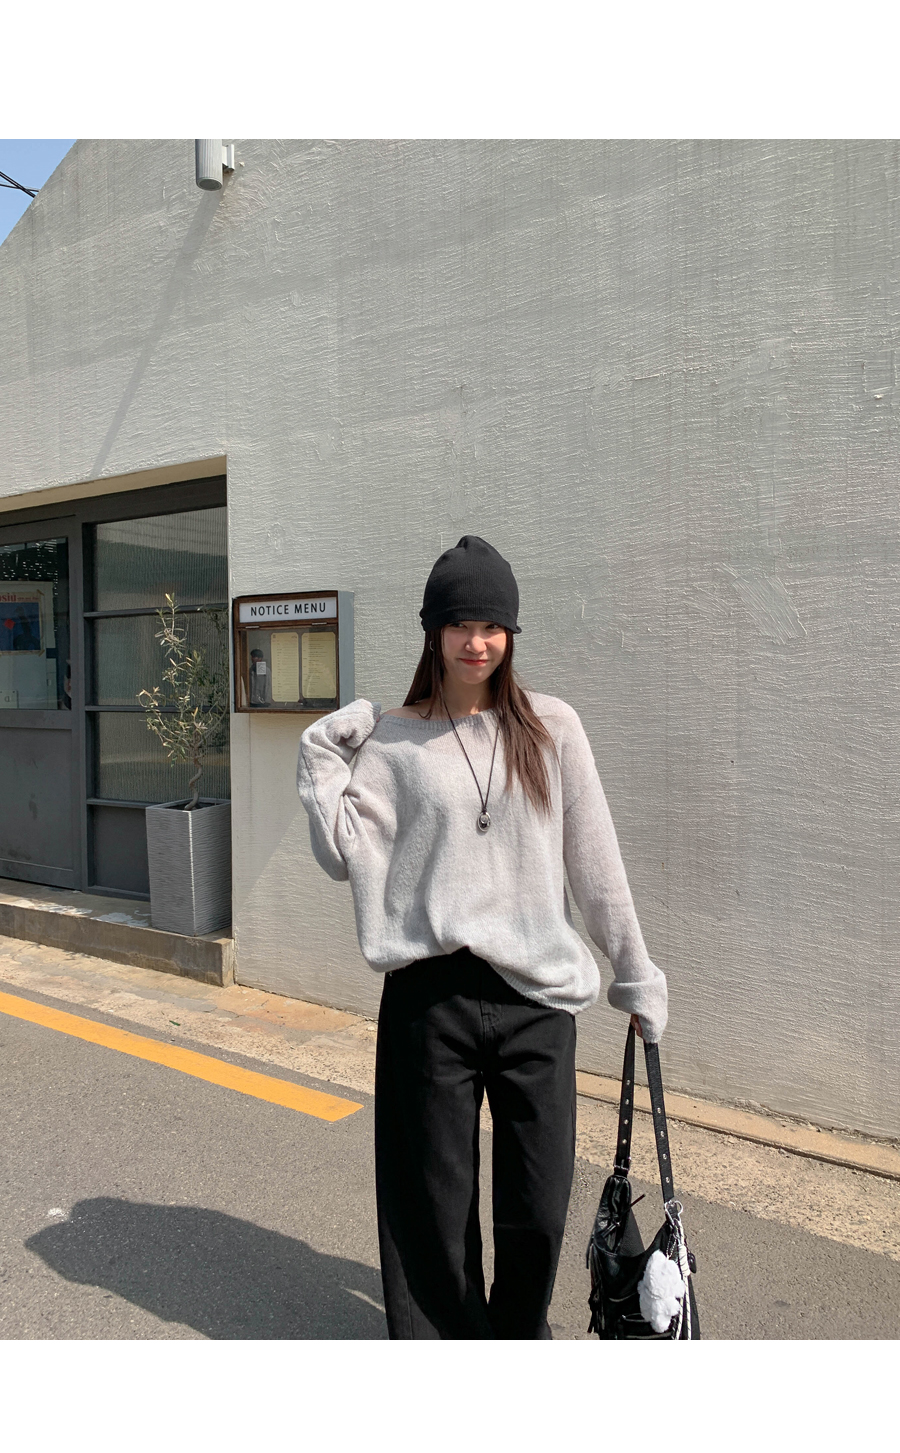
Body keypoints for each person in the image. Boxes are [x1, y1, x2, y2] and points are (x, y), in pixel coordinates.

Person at [296, 535, 668, 1340]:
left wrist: (635, 971)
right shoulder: (395, 739)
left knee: (538, 1207)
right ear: (433, 631)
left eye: (491, 624)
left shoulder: (552, 727)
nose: (476, 641)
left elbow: (594, 863)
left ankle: (515, 1339)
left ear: (511, 633)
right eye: (460, 623)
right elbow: (340, 855)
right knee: (433, 1206)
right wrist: (322, 754)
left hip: (538, 998)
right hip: (431, 999)